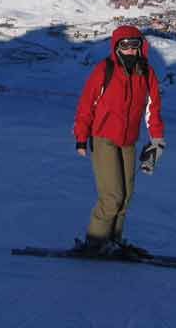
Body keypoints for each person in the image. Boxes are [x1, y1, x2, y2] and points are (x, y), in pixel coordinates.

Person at [72, 25, 166, 253]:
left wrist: (156, 140)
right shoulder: (105, 70)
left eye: (135, 45)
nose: (131, 50)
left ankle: (113, 239)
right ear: (116, 47)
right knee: (112, 195)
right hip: (103, 136)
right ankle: (95, 242)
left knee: (126, 196)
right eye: (125, 45)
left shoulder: (146, 73)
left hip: (128, 140)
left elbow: (153, 109)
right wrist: (81, 137)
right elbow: (87, 105)